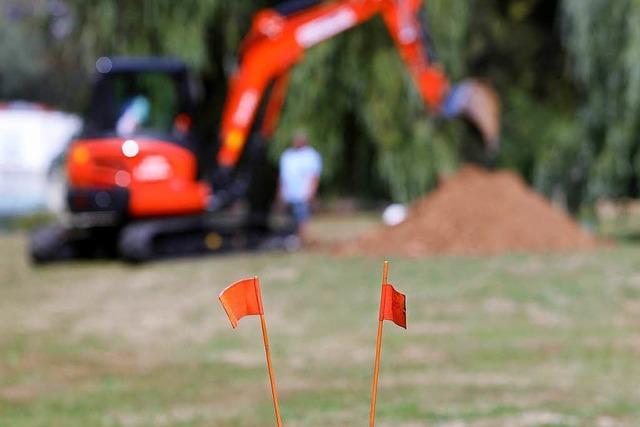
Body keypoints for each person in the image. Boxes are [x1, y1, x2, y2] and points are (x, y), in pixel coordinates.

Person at [279, 132, 322, 243]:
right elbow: (282, 176)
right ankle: (292, 239)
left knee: (302, 218)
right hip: (289, 193)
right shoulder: (287, 155)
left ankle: (302, 240)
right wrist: (281, 192)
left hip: (302, 193)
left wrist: (311, 192)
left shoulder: (311, 155)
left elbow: (314, 176)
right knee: (290, 219)